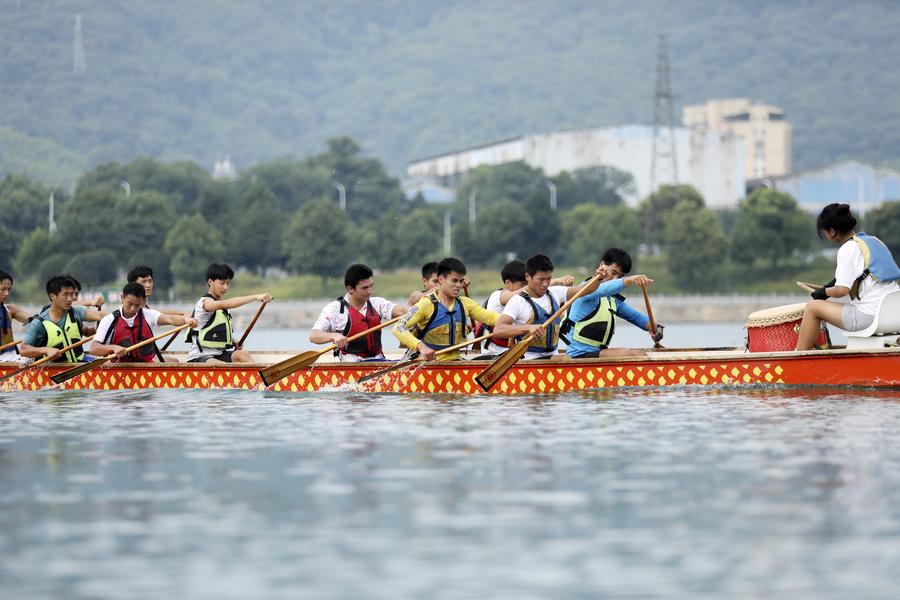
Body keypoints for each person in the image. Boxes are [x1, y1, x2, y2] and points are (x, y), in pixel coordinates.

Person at [796, 203, 900, 350]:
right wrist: (829, 288)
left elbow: (842, 290)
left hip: (869, 316)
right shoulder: (875, 241)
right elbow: (862, 276)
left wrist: (823, 292)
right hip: (894, 315)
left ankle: (798, 357)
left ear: (832, 231)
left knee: (813, 308)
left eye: (825, 232)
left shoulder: (847, 249)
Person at [491, 254, 607, 360]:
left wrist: (598, 278)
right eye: (541, 279)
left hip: (552, 357)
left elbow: (586, 289)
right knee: (565, 359)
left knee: (566, 357)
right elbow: (499, 330)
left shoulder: (555, 293)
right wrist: (528, 328)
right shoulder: (517, 301)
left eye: (548, 279)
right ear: (528, 276)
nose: (545, 284)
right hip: (529, 360)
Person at [393, 257, 500, 361]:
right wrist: (421, 347)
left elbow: (491, 318)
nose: (458, 285)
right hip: (428, 364)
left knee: (496, 359)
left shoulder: (465, 304)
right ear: (441, 280)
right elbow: (398, 327)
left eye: (461, 281)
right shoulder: (426, 304)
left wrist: (513, 323)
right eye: (454, 281)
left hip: (455, 363)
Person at [562, 248, 662, 359]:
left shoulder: (612, 300)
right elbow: (603, 289)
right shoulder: (586, 289)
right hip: (578, 355)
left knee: (640, 354)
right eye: (613, 272)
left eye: (620, 276)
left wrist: (656, 328)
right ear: (602, 265)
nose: (615, 279)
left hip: (596, 354)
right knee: (627, 354)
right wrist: (630, 280)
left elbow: (636, 317)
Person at [474, 260, 575, 359]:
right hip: (496, 354)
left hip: (514, 352)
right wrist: (555, 282)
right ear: (507, 283)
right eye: (523, 284)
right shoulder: (498, 296)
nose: (528, 287)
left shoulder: (527, 301)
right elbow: (521, 292)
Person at [310, 263, 409, 362]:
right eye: (365, 288)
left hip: (379, 361)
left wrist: (418, 308)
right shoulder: (335, 309)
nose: (370, 291)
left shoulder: (377, 303)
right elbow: (314, 335)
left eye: (371, 286)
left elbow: (400, 310)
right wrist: (333, 336)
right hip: (351, 365)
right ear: (350, 289)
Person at [90, 282, 199, 362]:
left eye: (137, 305)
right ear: (122, 298)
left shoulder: (148, 314)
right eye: (129, 304)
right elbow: (93, 348)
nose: (133, 309)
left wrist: (186, 320)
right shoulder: (109, 320)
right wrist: (113, 348)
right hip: (120, 367)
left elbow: (169, 319)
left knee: (174, 361)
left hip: (147, 364)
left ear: (142, 302)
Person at [186, 263, 272, 363]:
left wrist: (232, 342)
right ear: (210, 282)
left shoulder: (222, 309)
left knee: (242, 355)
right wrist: (256, 297)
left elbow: (216, 334)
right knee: (214, 363)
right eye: (222, 283)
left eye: (228, 283)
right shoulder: (205, 303)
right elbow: (225, 304)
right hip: (199, 358)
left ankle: (258, 377)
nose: (226, 287)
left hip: (219, 355)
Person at [20, 276, 108, 362]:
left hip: (80, 365)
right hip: (52, 372)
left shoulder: (77, 311)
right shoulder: (39, 323)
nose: (70, 299)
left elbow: (102, 315)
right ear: (52, 296)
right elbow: (24, 349)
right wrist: (46, 350)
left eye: (71, 294)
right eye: (65, 294)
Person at [0, 270, 32, 362]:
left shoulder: (10, 310)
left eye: (9, 289)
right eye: (3, 289)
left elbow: (33, 321)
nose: (6, 293)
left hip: (13, 359)